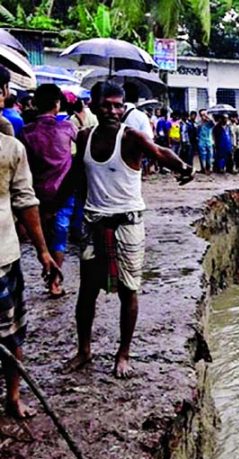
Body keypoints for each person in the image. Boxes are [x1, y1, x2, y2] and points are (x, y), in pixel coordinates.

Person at [66, 81, 195, 378]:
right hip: (94, 222)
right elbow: (76, 179)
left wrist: (185, 169)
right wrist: (50, 209)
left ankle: (123, 353)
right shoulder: (84, 137)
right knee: (86, 292)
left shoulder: (132, 136)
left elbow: (161, 152)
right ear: (93, 106)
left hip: (128, 222)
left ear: (124, 107)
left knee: (128, 290)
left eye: (117, 105)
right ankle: (84, 351)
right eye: (106, 105)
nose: (112, 111)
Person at [0, 94, 61, 417]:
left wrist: (42, 251)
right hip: (6, 252)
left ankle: (13, 396)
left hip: (5, 255)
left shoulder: (12, 147)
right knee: (10, 332)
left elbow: (26, 201)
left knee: (12, 333)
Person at [20, 84, 77, 298]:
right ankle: (54, 281)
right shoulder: (68, 128)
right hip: (63, 192)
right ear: (57, 104)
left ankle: (49, 270)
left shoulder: (25, 132)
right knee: (60, 236)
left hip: (37, 193)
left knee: (42, 237)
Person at [197, 109, 214, 174]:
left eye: (204, 114)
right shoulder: (199, 123)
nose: (203, 116)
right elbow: (197, 130)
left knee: (210, 156)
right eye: (202, 115)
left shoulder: (209, 122)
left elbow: (213, 123)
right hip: (201, 141)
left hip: (209, 141)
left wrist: (207, 117)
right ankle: (203, 169)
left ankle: (209, 168)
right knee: (202, 156)